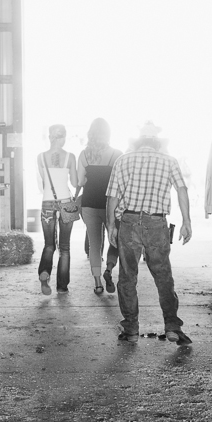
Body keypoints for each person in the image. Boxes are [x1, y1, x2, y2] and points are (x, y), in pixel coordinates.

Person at [106, 121, 193, 344]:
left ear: (137, 141)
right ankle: (172, 327)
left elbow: (112, 197)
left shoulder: (122, 160)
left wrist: (111, 226)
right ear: (157, 143)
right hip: (156, 223)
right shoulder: (169, 161)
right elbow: (182, 189)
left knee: (127, 277)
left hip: (129, 221)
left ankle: (131, 330)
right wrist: (186, 221)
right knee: (163, 276)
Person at [77, 118, 122, 295]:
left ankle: (97, 283)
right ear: (108, 134)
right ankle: (109, 269)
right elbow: (121, 181)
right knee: (115, 239)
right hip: (110, 204)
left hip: (88, 203)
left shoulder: (84, 154)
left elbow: (80, 181)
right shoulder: (117, 154)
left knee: (94, 245)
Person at [36, 124, 79, 295]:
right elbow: (75, 183)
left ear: (50, 137)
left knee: (48, 245)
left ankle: (44, 273)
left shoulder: (40, 157)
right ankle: (62, 286)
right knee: (65, 247)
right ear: (62, 138)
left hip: (47, 202)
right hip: (66, 204)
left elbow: (42, 185)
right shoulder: (70, 157)